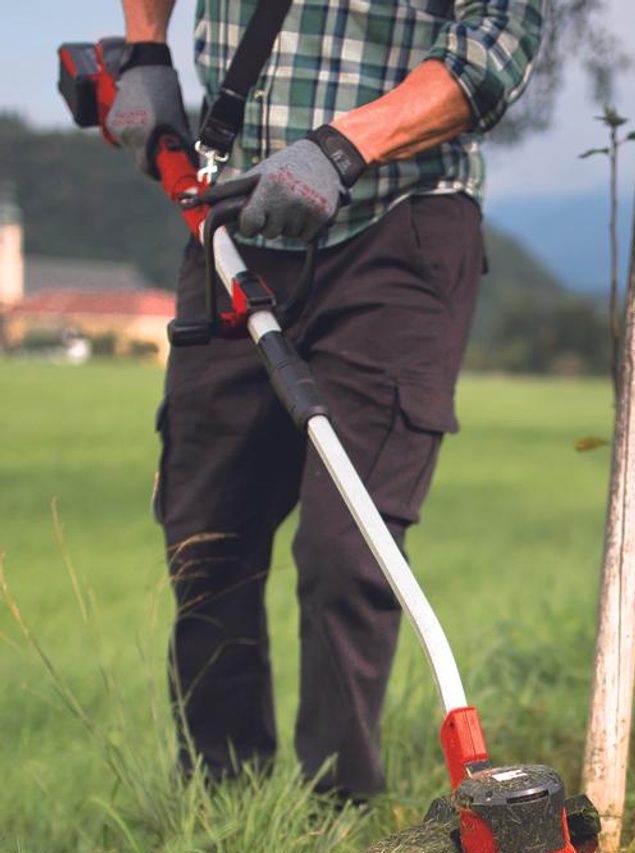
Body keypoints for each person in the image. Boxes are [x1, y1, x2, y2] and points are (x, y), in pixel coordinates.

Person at [108, 0, 543, 799]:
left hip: (397, 221)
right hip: (233, 215)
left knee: (348, 548)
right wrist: (145, 52)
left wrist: (345, 147)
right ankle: (221, 807)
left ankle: (338, 815)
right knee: (205, 535)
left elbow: (499, 40)